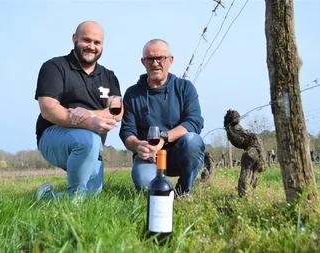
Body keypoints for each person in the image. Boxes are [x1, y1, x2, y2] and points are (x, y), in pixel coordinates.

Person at [34, 21, 122, 199]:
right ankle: (75, 199)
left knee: (92, 195)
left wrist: (89, 113)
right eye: (86, 40)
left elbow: (117, 111)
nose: (92, 46)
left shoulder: (109, 76)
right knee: (88, 139)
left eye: (97, 43)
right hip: (53, 136)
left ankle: (47, 197)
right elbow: (49, 109)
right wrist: (89, 123)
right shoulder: (55, 67)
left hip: (94, 145)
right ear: (75, 39)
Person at [119, 39, 205, 197]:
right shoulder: (132, 94)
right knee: (149, 191)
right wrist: (138, 145)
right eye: (150, 59)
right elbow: (126, 131)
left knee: (193, 141)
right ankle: (166, 194)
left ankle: (183, 191)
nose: (155, 63)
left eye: (161, 58)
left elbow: (194, 121)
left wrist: (164, 138)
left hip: (179, 151)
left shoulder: (185, 88)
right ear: (143, 62)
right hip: (149, 157)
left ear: (170, 60)